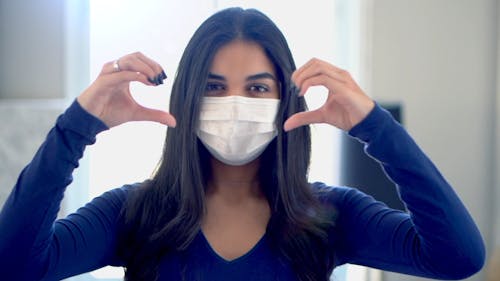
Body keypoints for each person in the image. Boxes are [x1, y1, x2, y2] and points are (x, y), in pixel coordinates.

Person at [0, 7, 485, 281]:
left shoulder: (330, 215)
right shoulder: (135, 213)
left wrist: (374, 126)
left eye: (256, 88)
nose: (233, 103)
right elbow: (15, 265)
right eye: (213, 87)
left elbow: (459, 257)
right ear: (188, 97)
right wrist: (77, 126)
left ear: (285, 100)